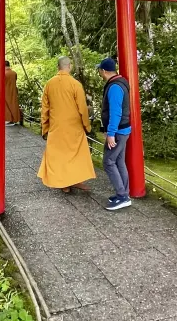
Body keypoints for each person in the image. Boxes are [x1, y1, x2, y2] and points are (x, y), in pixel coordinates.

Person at [38, 57, 95, 193]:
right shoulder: (75, 84)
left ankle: (65, 183)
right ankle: (74, 180)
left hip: (56, 127)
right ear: (69, 66)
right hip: (74, 127)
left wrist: (45, 128)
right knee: (76, 154)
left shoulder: (49, 84)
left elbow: (45, 109)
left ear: (58, 67)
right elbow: (82, 108)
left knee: (60, 155)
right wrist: (87, 126)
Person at [97, 57, 132, 210]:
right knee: (118, 161)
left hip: (118, 131)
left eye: (99, 69)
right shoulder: (120, 82)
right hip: (123, 130)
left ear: (103, 71)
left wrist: (110, 133)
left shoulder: (115, 87)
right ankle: (124, 194)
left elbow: (115, 112)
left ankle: (122, 196)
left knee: (108, 161)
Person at [4, 60, 21, 125]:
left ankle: (9, 119)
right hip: (13, 90)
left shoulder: (3, 73)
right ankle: (15, 119)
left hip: (5, 90)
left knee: (6, 105)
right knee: (14, 105)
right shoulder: (14, 73)